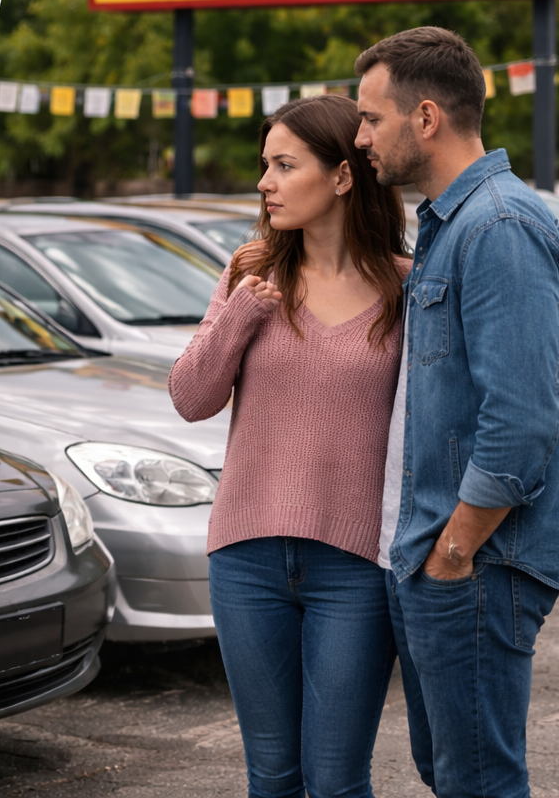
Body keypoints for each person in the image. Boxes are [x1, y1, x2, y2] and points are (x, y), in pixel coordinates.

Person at [355, 26, 559, 798]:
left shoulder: (498, 227)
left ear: (424, 119)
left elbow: (521, 423)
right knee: (451, 775)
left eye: (371, 119)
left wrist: (454, 552)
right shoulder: (452, 225)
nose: (360, 138)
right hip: (434, 558)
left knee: (477, 783)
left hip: (474, 565)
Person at [168, 93, 411, 798]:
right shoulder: (249, 273)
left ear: (341, 176)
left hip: (356, 567)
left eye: (283, 165)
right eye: (263, 165)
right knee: (272, 778)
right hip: (245, 560)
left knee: (336, 782)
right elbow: (191, 398)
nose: (263, 183)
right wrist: (242, 312)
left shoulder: (406, 287)